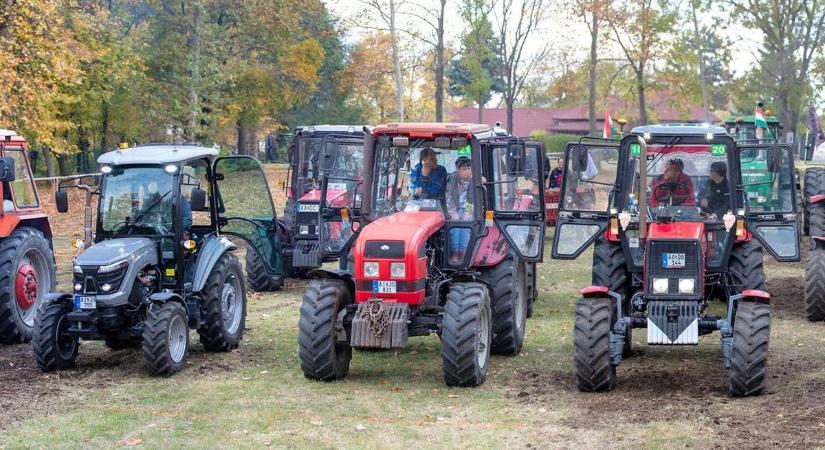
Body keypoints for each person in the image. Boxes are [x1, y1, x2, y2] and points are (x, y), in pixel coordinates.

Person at [445, 156, 474, 263]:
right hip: (454, 207)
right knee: (455, 223)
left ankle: (462, 252)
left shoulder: (474, 180)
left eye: (468, 169)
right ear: (458, 170)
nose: (467, 172)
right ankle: (455, 251)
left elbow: (473, 199)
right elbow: (449, 196)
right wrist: (453, 211)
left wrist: (468, 211)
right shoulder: (452, 179)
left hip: (468, 207)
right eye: (464, 169)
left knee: (467, 222)